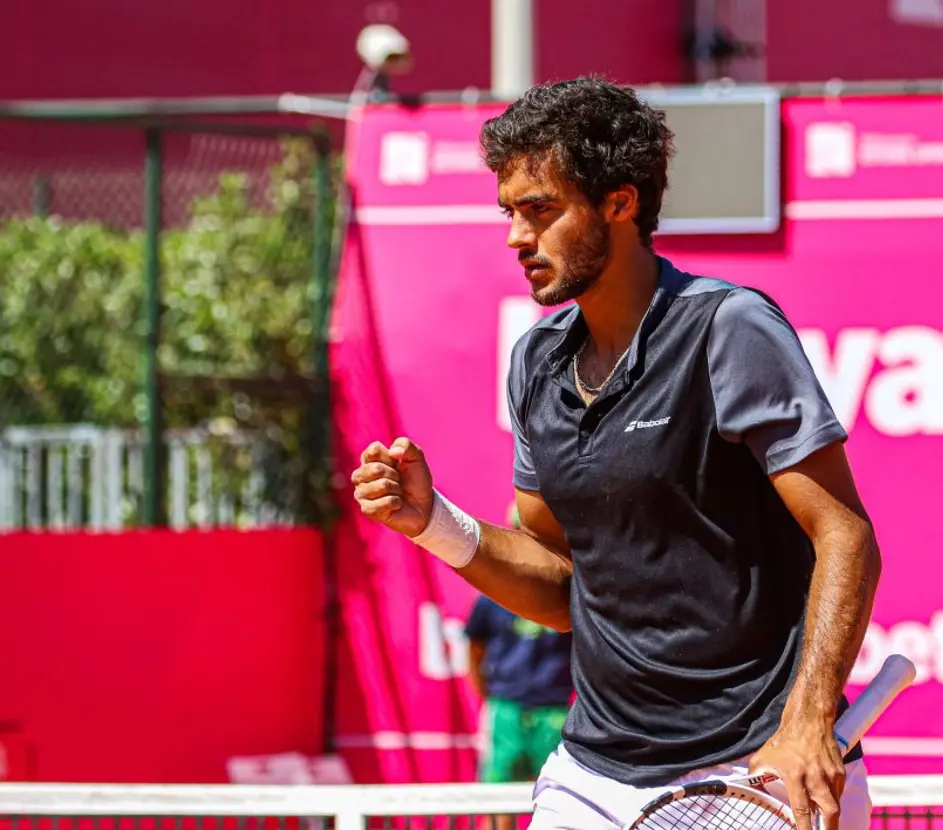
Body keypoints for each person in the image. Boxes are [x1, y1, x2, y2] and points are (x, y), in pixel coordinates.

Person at [351, 76, 882, 830]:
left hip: (757, 761)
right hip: (594, 773)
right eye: (509, 212)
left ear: (620, 203)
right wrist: (432, 520)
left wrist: (805, 723)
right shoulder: (534, 362)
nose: (515, 236)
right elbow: (560, 585)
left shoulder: (728, 330)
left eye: (540, 210)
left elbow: (846, 534)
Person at [465, 505, 574, 796]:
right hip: (506, 709)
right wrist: (492, 700)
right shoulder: (489, 598)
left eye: (538, 537)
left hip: (555, 712)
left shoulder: (571, 592)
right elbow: (474, 651)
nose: (530, 545)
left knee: (559, 799)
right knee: (495, 800)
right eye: (521, 535)